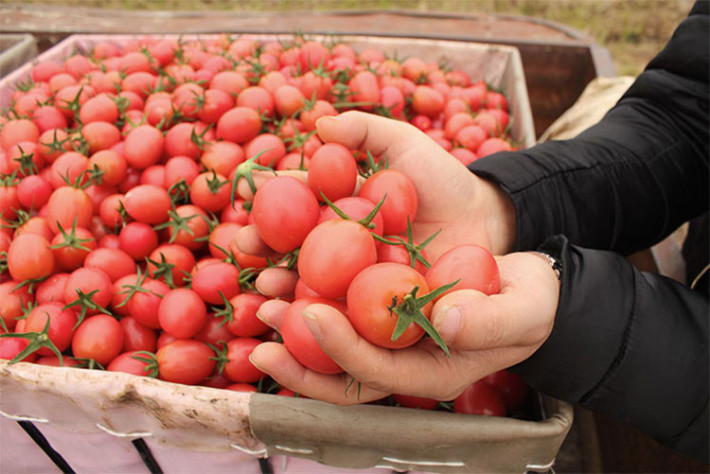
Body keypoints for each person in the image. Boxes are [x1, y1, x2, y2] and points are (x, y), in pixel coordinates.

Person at [247, 1, 709, 463]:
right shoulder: (373, 244)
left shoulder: (375, 253)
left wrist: (571, 315)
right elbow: (688, 111)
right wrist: (506, 210)